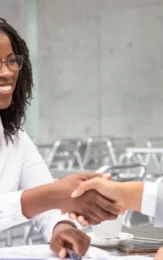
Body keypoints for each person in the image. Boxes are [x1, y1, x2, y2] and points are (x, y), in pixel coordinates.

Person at [0, 18, 123, 259]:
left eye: (11, 61)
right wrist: (50, 196)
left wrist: (62, 227)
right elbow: (44, 197)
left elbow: (47, 206)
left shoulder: (14, 136)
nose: (6, 73)